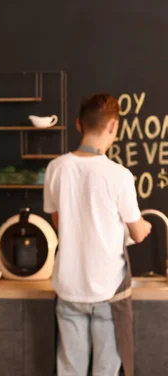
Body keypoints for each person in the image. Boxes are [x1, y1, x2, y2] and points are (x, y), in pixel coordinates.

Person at [43, 93, 151, 376]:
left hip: (68, 288)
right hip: (109, 293)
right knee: (106, 370)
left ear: (79, 124)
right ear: (114, 127)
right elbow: (138, 233)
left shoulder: (56, 168)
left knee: (70, 370)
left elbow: (59, 223)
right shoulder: (120, 176)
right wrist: (145, 226)